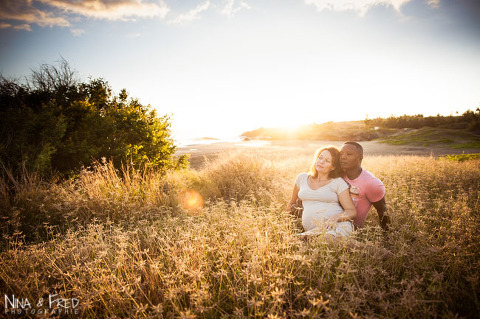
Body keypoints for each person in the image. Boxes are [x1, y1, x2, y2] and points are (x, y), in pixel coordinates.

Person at [288, 147, 357, 237]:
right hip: (314, 231)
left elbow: (351, 211)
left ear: (333, 167)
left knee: (327, 239)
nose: (321, 162)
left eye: (327, 161)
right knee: (293, 241)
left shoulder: (338, 182)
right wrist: (286, 225)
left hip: (336, 226)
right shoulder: (302, 178)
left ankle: (372, 249)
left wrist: (336, 217)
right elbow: (291, 204)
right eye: (320, 158)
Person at [339, 142, 390, 231]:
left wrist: (387, 239)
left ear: (360, 158)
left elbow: (382, 212)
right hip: (328, 222)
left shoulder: (372, 183)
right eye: (341, 154)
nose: (343, 157)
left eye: (349, 154)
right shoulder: (338, 175)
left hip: (350, 230)